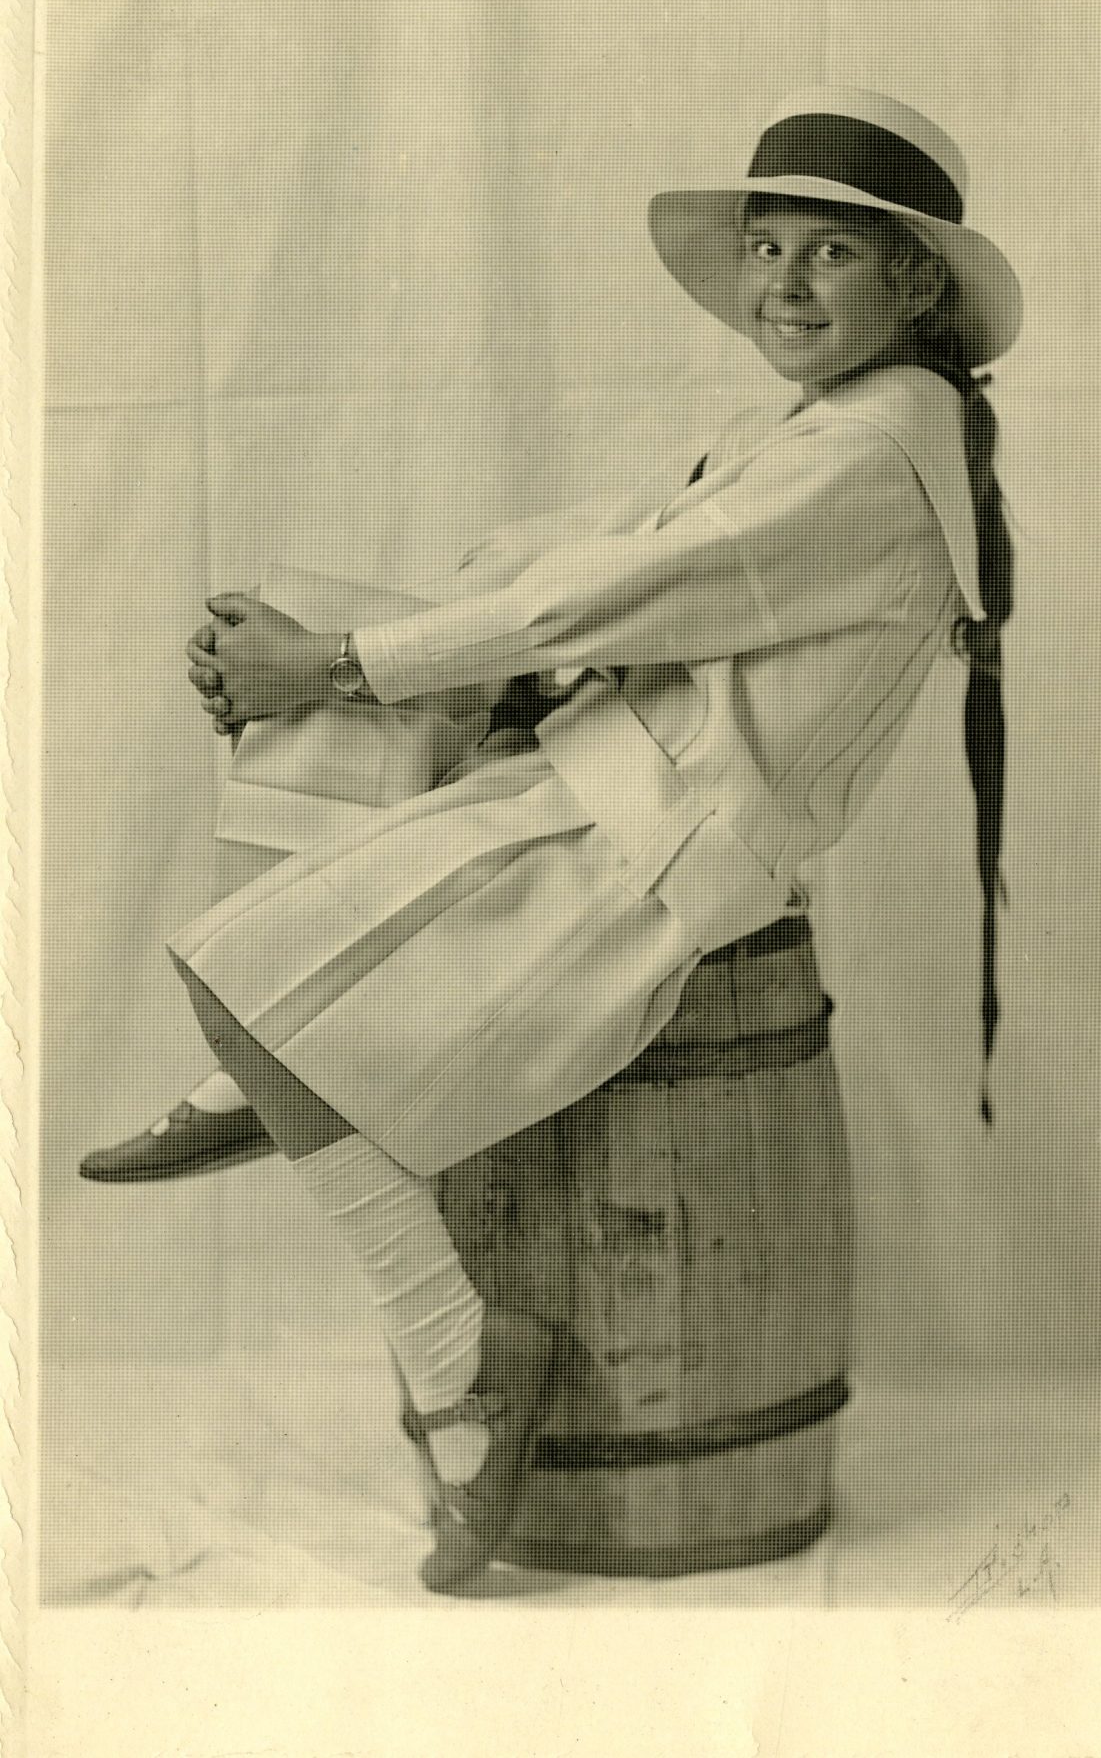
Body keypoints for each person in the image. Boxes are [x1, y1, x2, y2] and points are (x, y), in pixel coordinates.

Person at [83, 86, 1021, 1595]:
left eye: (830, 256)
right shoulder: (801, 423)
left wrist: (335, 662)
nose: (782, 283)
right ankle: (278, 1065)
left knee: (249, 964)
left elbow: (597, 611)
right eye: (766, 247)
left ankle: (460, 1367)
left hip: (651, 852)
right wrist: (342, 637)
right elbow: (586, 553)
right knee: (342, 746)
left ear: (914, 281)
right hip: (591, 776)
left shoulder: (862, 469)